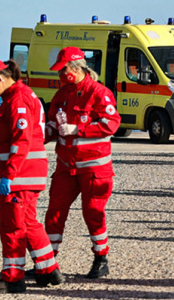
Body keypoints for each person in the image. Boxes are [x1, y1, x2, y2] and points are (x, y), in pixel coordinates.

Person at [0, 59, 63, 294]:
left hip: (18, 178)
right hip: (25, 176)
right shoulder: (20, 96)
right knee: (28, 222)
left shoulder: (18, 99)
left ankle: (13, 278)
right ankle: (48, 270)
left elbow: (21, 140)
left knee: (12, 226)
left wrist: (9, 176)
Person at [43, 47, 121, 279]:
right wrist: (37, 136)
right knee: (54, 213)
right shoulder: (61, 94)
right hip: (66, 167)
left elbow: (112, 124)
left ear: (77, 68)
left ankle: (101, 258)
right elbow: (54, 125)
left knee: (93, 212)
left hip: (94, 168)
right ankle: (47, 263)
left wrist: (79, 129)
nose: (60, 75)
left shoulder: (99, 92)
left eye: (63, 70)